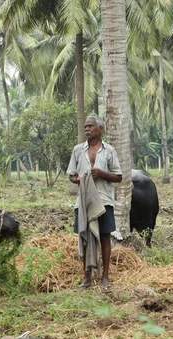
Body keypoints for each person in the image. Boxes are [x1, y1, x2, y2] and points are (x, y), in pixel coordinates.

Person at [67, 114, 122, 289]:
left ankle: (105, 276)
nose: (87, 129)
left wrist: (102, 174)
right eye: (85, 127)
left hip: (104, 200)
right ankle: (87, 277)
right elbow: (72, 175)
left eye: (90, 126)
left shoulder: (109, 151)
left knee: (105, 237)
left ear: (100, 129)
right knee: (84, 236)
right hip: (83, 200)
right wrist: (77, 180)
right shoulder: (78, 150)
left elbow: (118, 177)